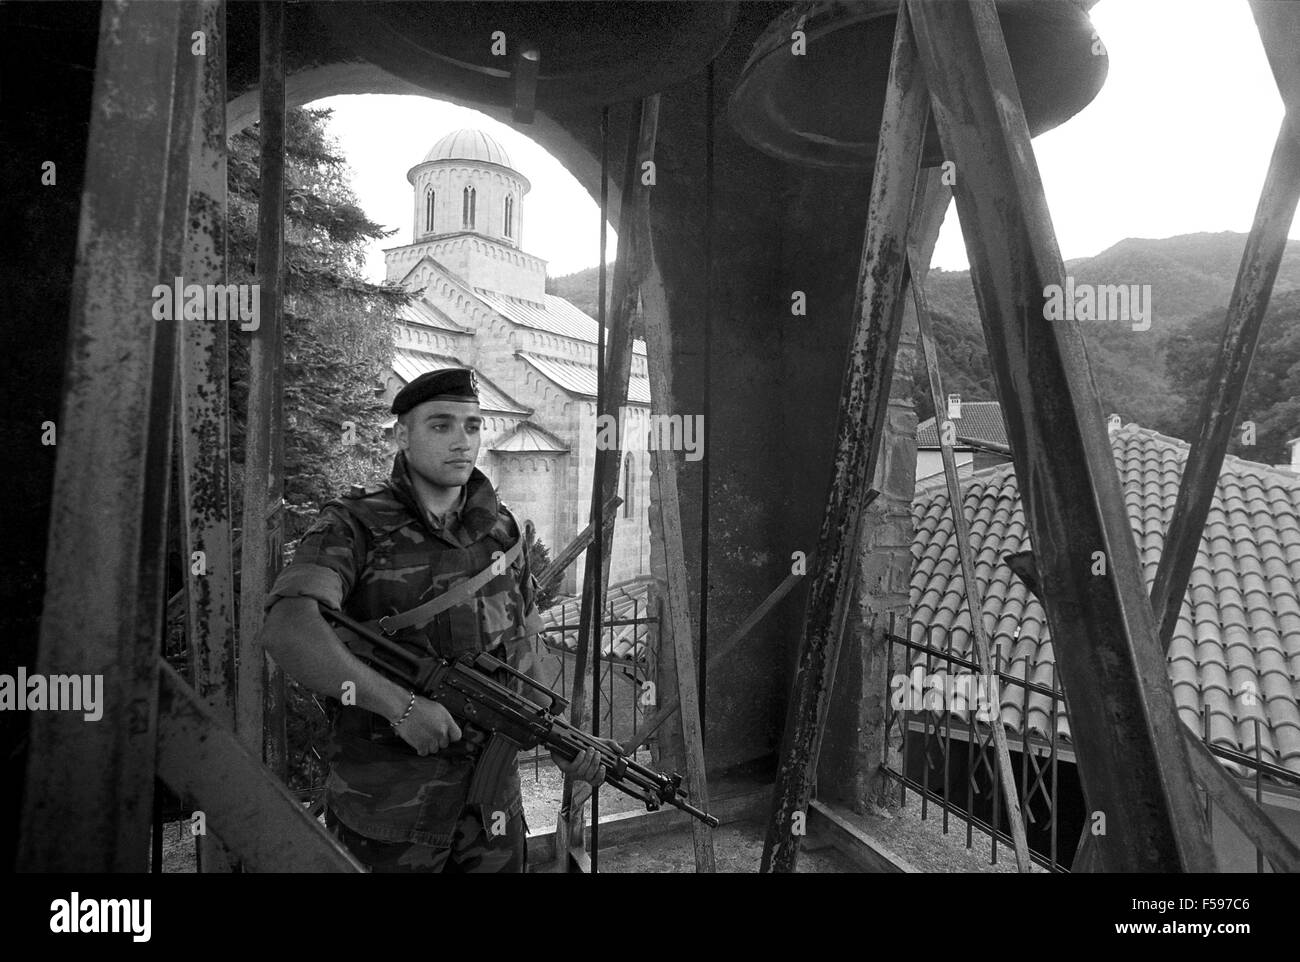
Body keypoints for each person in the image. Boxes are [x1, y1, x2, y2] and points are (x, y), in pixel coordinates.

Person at [260, 367, 613, 872]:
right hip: (388, 814)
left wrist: (559, 736)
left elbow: (523, 646)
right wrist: (399, 707)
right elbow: (288, 628)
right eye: (441, 425)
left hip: (492, 813)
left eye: (472, 426)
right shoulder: (354, 524)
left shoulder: (502, 528)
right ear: (403, 435)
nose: (462, 442)